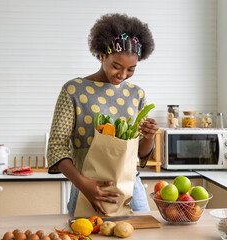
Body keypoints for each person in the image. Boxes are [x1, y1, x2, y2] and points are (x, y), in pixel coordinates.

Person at [47, 13, 159, 216]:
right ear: (102, 55)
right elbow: (56, 148)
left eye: (131, 69)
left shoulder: (137, 94)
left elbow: (141, 153)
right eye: (117, 66)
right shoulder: (74, 90)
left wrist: (149, 136)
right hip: (86, 188)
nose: (123, 75)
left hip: (131, 190)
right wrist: (84, 185)